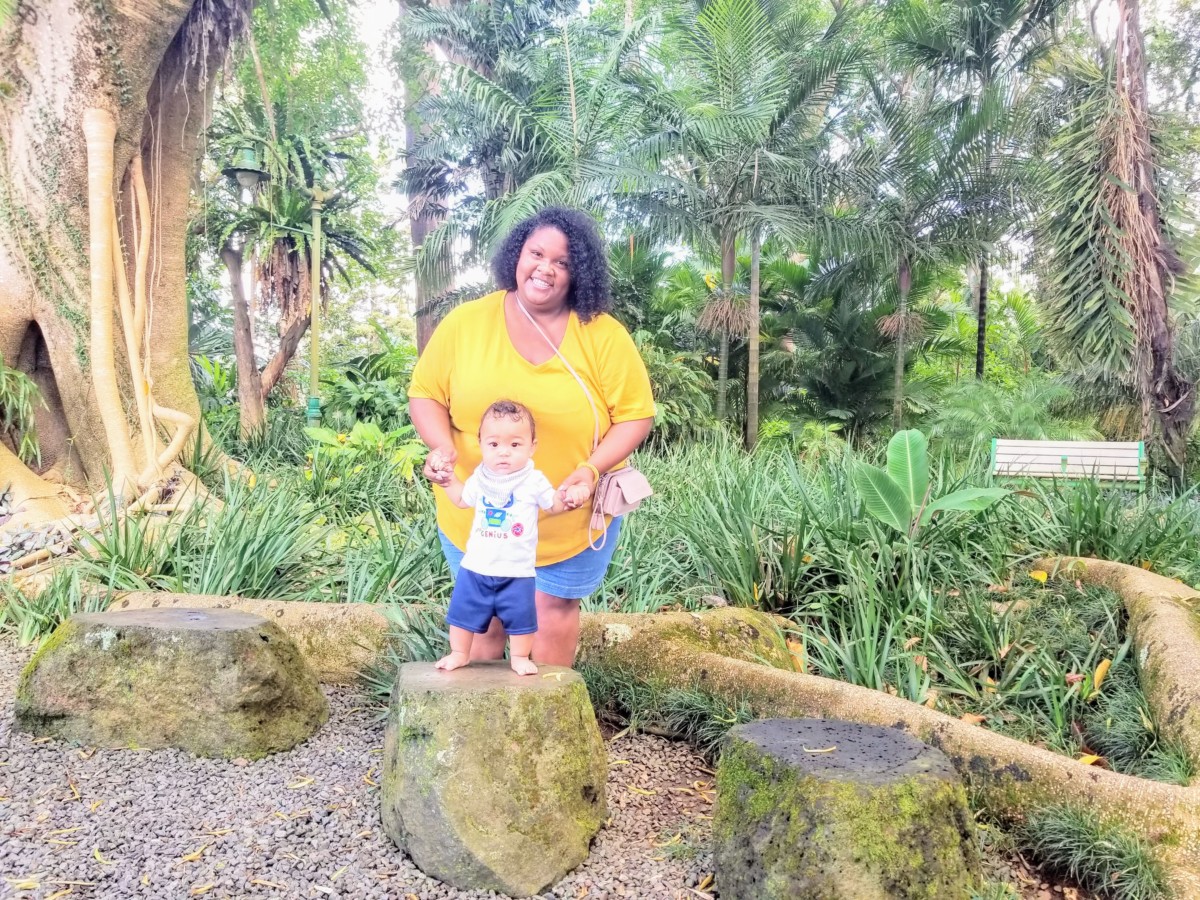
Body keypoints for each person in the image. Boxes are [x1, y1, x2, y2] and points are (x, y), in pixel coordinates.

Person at [409, 206, 655, 667]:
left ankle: (541, 725)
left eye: (562, 262)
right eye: (536, 253)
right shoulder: (466, 323)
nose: (545, 268)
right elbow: (425, 394)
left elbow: (635, 417)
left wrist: (589, 469)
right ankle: (479, 727)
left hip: (570, 514)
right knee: (488, 616)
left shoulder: (602, 334)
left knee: (551, 609)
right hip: (481, 517)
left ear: (578, 271)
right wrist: (441, 447)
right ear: (516, 256)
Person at [433, 399, 592, 675]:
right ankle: (459, 653)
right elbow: (461, 499)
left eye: (515, 445)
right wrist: (448, 481)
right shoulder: (480, 477)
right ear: (480, 443)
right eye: (494, 445)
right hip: (476, 567)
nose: (503, 453)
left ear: (533, 446)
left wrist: (569, 497)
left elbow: (552, 504)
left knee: (521, 620)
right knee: (462, 617)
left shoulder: (533, 480)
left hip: (517, 569)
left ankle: (519, 657)